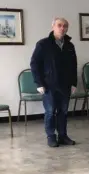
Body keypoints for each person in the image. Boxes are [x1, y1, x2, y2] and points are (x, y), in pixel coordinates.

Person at [30, 17, 78, 148]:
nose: (62, 28)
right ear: (53, 27)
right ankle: (51, 136)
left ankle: (63, 136)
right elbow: (34, 64)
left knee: (63, 112)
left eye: (65, 26)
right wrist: (39, 83)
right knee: (50, 112)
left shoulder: (69, 45)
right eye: (59, 25)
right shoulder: (43, 44)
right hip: (48, 85)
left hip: (65, 85)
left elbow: (74, 66)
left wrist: (74, 83)